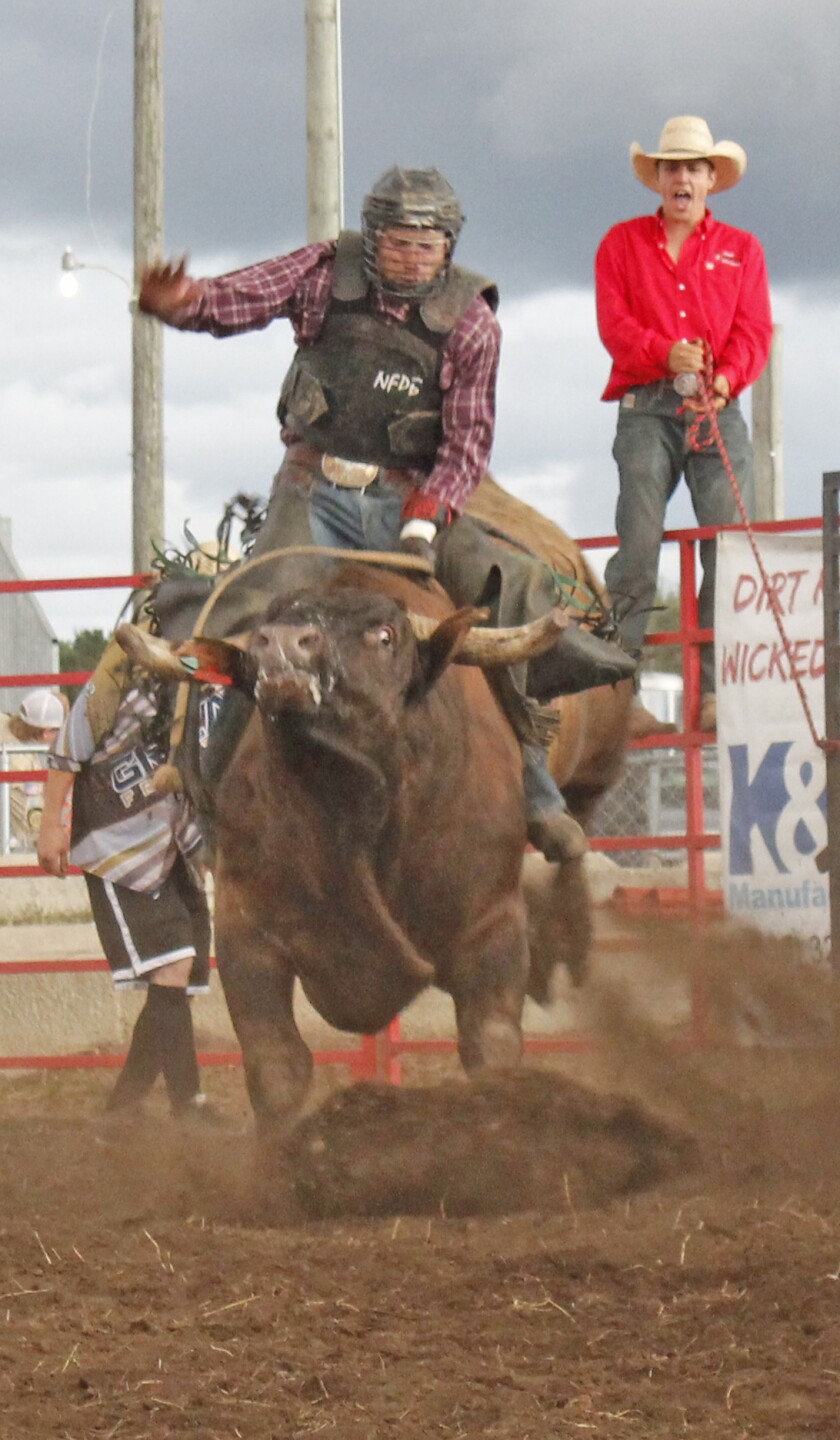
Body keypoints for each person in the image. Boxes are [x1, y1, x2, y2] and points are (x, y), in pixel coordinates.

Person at [138, 165, 635, 862]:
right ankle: (198, 771)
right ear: (372, 240)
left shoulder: (472, 322)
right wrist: (181, 302)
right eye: (399, 239)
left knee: (513, 591)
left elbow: (467, 440)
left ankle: (536, 791)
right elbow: (238, 298)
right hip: (314, 489)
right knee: (249, 605)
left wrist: (426, 517)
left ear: (449, 246)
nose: (412, 253)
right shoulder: (321, 275)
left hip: (413, 497)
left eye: (428, 242)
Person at [595, 117, 773, 733]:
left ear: (710, 180)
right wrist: (663, 354)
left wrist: (725, 381)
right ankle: (620, 688)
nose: (682, 178)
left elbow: (754, 332)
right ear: (659, 178)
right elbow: (613, 326)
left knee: (728, 547)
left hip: (715, 408)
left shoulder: (743, 249)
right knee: (638, 544)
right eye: (672, 167)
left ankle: (723, 688)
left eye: (693, 168)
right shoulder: (620, 244)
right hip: (646, 405)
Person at [37, 667, 216, 1125]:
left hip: (172, 844)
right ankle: (188, 1106)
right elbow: (66, 750)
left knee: (179, 983)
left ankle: (122, 1109)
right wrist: (50, 825)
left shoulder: (212, 688)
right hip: (118, 847)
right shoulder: (118, 678)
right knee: (173, 968)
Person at [0, 689, 66, 851]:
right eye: (60, 731)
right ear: (46, 732)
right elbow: (36, 828)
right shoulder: (19, 766)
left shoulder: (4, 721)